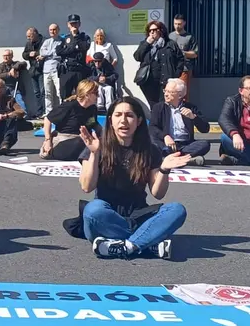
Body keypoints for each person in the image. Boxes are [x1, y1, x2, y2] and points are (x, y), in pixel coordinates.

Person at [76, 97, 190, 260]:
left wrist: (164, 170)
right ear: (111, 120)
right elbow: (87, 187)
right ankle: (148, 242)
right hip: (106, 216)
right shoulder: (97, 145)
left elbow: (158, 194)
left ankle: (128, 246)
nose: (123, 120)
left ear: (139, 121)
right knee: (93, 210)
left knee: (176, 210)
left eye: (129, 115)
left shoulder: (150, 150)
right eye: (118, 115)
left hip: (139, 214)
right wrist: (95, 153)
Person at [148, 78, 210, 164]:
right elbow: (152, 127)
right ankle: (185, 158)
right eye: (165, 91)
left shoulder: (190, 107)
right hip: (166, 144)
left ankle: (172, 157)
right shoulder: (159, 107)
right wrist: (165, 136)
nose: (166, 94)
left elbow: (205, 129)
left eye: (170, 92)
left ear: (180, 95)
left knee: (205, 144)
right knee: (152, 142)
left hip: (185, 144)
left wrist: (194, 117)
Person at [41, 79, 99, 161]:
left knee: (95, 142)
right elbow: (48, 119)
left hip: (83, 139)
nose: (98, 96)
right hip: (64, 140)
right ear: (87, 94)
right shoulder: (69, 106)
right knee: (82, 142)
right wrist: (48, 140)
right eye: (96, 93)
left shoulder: (92, 108)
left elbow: (93, 124)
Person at [133, 20, 184, 106]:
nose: (152, 32)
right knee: (154, 106)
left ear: (161, 30)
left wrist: (176, 74)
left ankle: (164, 119)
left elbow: (180, 60)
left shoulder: (170, 44)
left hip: (166, 81)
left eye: (154, 30)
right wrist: (147, 43)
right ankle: (156, 119)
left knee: (165, 105)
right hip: (149, 81)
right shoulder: (145, 44)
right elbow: (137, 57)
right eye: (149, 30)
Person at [56, 14, 91, 100]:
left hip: (79, 70)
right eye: (71, 24)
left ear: (79, 24)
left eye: (75, 23)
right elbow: (58, 51)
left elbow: (84, 48)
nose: (73, 26)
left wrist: (76, 37)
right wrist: (73, 49)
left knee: (81, 95)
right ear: (68, 25)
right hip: (67, 70)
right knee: (65, 96)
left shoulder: (84, 37)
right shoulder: (64, 38)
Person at [169, 15, 198, 99]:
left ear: (184, 23)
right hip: (171, 68)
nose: (177, 26)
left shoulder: (189, 37)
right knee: (170, 92)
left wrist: (181, 53)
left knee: (182, 93)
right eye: (175, 24)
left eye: (179, 24)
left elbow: (195, 54)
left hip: (184, 69)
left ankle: (183, 110)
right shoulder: (170, 36)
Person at [21, 27, 45, 119]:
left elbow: (47, 52)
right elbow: (24, 54)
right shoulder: (29, 43)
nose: (28, 38)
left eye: (29, 36)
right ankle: (39, 112)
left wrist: (37, 53)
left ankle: (44, 111)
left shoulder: (44, 41)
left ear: (35, 34)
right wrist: (29, 54)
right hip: (33, 70)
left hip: (42, 69)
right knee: (36, 92)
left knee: (43, 92)